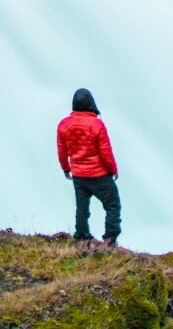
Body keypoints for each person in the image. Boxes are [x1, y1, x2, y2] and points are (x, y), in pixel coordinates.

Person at [57, 87, 121, 246]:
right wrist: (113, 170)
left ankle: (82, 236)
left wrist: (66, 168)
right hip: (99, 174)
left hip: (79, 174)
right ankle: (110, 239)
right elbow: (105, 151)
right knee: (112, 204)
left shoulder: (64, 125)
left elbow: (62, 150)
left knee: (82, 207)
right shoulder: (97, 125)